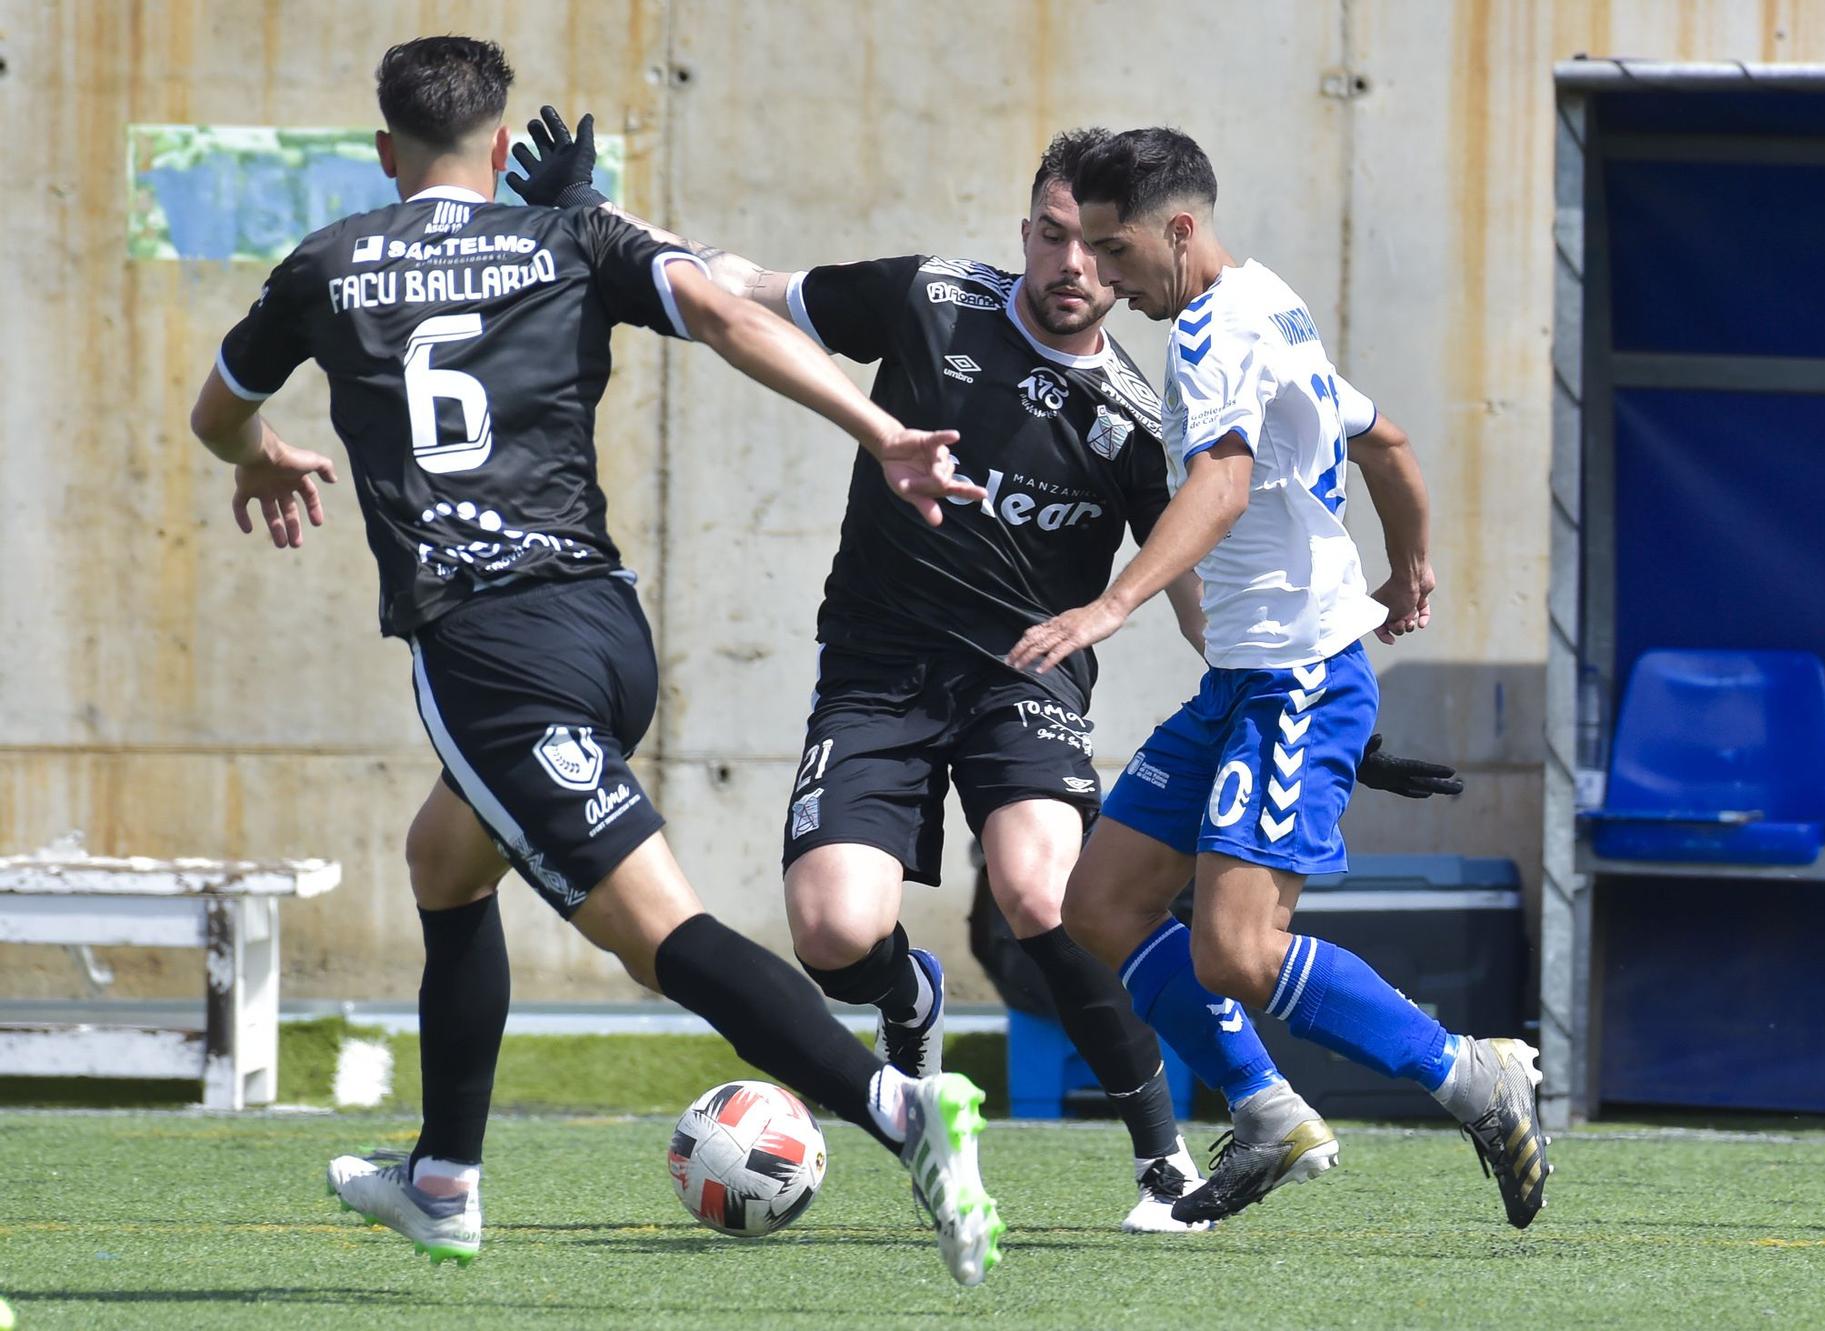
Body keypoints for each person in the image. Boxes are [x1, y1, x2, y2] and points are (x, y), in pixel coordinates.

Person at [508, 114, 1464, 1233]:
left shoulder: (1139, 419)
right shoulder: (930, 297)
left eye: (1098, 250)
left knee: (1045, 892)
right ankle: (906, 996)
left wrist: (1341, 727)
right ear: (1028, 231)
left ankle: (1163, 1155)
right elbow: (742, 286)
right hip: (876, 669)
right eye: (1055, 238)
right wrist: (597, 217)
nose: (1076, 269)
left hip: (1024, 679)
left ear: (1129, 252)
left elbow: (1209, 606)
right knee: (829, 932)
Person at [186, 36, 1001, 1284]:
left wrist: (256, 453)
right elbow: (731, 308)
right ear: (504, 148)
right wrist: (881, 427)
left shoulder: (327, 263)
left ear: (384, 151)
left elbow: (214, 412)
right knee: (443, 859)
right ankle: (444, 1179)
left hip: (490, 648)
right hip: (607, 632)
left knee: (654, 931)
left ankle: (895, 1108)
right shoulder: (572, 237)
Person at [1007, 127, 1550, 1229]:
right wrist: (1409, 566)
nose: (1103, 279)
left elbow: (1216, 484)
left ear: (1179, 229)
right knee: (1100, 904)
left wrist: (1111, 604)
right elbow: (1385, 442)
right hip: (1249, 681)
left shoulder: (1214, 333)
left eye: (1114, 253)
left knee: (1236, 951)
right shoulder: (1268, 302)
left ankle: (1465, 1074)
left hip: (1294, 678)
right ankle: (1262, 1108)